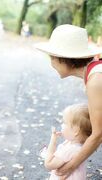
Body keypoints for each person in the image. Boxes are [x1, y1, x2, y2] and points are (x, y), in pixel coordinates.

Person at [35, 24, 102, 179]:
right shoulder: (94, 72)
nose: (51, 62)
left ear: (66, 60)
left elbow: (98, 133)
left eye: (52, 57)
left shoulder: (95, 80)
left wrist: (69, 167)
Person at [44, 104, 91, 180]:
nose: (62, 125)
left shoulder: (69, 150)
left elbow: (48, 164)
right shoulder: (81, 146)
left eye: (65, 123)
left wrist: (53, 141)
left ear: (76, 131)